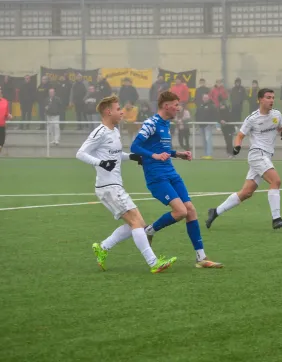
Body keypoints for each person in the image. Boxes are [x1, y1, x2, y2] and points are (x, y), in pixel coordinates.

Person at [77, 95, 176, 274]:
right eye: (118, 109)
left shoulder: (114, 131)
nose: (122, 112)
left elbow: (115, 155)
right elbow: (81, 153)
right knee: (137, 223)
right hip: (108, 187)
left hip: (115, 186)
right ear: (108, 112)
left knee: (138, 224)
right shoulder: (100, 132)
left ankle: (103, 247)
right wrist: (100, 163)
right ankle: (154, 263)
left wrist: (132, 156)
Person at [131, 91, 223, 269]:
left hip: (171, 172)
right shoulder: (151, 123)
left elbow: (162, 148)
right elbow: (135, 146)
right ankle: (149, 230)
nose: (178, 108)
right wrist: (154, 156)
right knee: (181, 211)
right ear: (166, 106)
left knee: (191, 210)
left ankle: (201, 258)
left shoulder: (166, 123)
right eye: (176, 105)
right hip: (156, 176)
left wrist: (177, 154)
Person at [206, 88, 282, 230]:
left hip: (266, 156)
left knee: (246, 192)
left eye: (273, 97)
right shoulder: (252, 118)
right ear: (260, 100)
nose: (271, 100)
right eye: (268, 97)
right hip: (257, 154)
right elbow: (240, 135)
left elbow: (280, 128)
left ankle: (215, 211)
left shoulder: (277, 114)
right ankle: (276, 219)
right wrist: (237, 147)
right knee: (276, 181)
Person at [196, 94, 218, 159]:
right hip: (201, 125)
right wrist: (197, 123)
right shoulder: (200, 106)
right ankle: (205, 154)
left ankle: (209, 154)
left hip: (208, 125)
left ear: (208, 98)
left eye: (206, 98)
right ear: (202, 98)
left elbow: (215, 114)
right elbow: (197, 114)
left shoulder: (211, 106)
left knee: (208, 139)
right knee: (203, 140)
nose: (205, 99)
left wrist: (211, 123)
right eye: (204, 98)